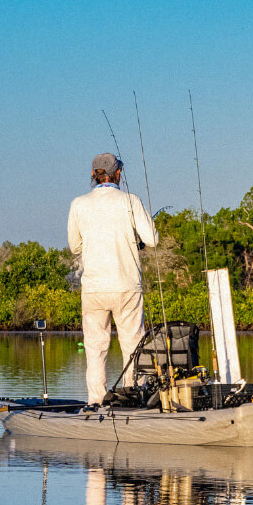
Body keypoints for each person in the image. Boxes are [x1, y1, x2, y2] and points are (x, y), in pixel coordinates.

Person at [67, 153, 158, 405]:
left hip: (94, 289)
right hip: (127, 286)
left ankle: (96, 402)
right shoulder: (131, 201)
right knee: (133, 346)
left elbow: (75, 247)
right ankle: (134, 398)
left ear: (94, 176)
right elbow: (152, 240)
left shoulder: (78, 204)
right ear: (117, 174)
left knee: (95, 350)